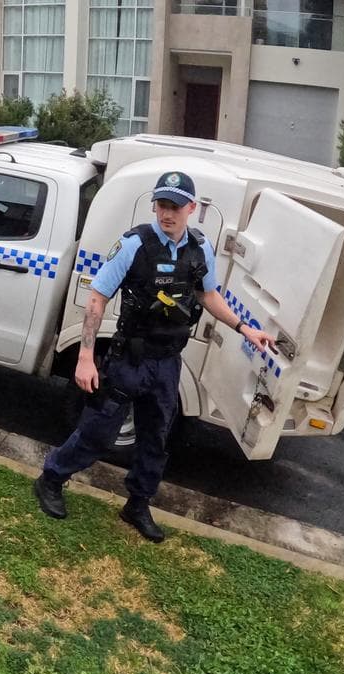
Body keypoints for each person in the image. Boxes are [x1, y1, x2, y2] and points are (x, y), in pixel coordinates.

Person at [33, 171, 277, 543]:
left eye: (175, 206)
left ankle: (138, 504)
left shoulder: (200, 248)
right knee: (99, 431)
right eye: (162, 205)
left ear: (191, 208)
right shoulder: (134, 244)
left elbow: (208, 295)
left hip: (168, 363)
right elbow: (97, 298)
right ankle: (51, 479)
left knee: (155, 439)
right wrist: (85, 357)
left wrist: (245, 328)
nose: (167, 213)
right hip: (129, 360)